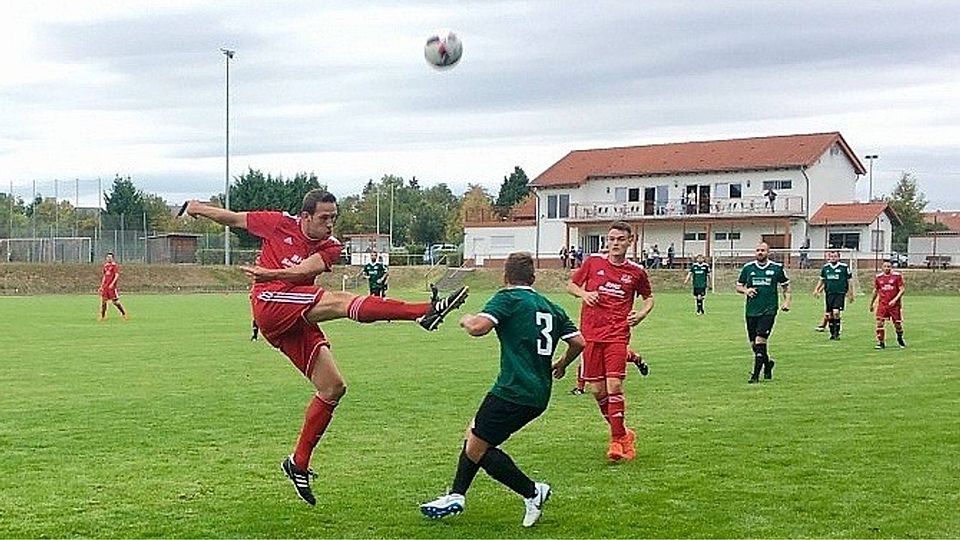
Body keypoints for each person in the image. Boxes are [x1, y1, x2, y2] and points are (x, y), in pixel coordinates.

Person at [182, 190, 469, 506]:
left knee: (333, 387)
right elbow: (234, 218)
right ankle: (423, 312)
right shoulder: (278, 223)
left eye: (334, 217)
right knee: (341, 301)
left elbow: (304, 271)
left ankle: (298, 462)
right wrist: (198, 208)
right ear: (305, 217)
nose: (330, 224)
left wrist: (272, 272)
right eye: (324, 218)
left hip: (294, 314)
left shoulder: (331, 246)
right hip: (269, 302)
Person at [419, 252, 585, 527]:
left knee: (476, 447)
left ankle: (532, 492)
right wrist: (562, 363)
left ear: (505, 276)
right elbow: (579, 342)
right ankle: (456, 495)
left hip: (512, 390)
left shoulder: (507, 298)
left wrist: (466, 318)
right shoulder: (551, 307)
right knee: (474, 435)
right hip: (538, 394)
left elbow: (478, 328)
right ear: (532, 278)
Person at [567, 221, 655, 461]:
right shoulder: (593, 262)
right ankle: (624, 433)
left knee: (614, 385)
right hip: (591, 333)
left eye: (620, 239)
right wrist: (585, 294)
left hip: (617, 334)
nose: (615, 243)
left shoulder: (636, 272)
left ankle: (616, 441)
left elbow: (648, 298)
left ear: (630, 241)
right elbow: (571, 285)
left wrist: (642, 313)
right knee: (597, 390)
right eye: (612, 239)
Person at [736, 242, 790, 383]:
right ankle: (767, 364)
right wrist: (746, 290)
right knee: (754, 345)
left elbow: (786, 287)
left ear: (768, 252)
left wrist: (786, 302)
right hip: (751, 311)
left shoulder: (776, 268)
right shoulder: (748, 268)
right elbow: (739, 286)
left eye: (763, 250)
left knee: (760, 340)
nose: (760, 252)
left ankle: (755, 376)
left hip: (769, 310)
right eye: (758, 250)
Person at [813, 250, 854, 340]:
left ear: (839, 257)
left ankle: (837, 333)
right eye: (831, 256)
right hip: (829, 293)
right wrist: (817, 290)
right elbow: (822, 280)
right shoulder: (826, 268)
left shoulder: (844, 267)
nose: (833, 258)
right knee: (829, 314)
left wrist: (850, 293)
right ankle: (832, 334)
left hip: (840, 293)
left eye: (835, 256)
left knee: (836, 312)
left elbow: (849, 281)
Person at [871, 261, 906, 349]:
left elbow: (902, 289)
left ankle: (900, 338)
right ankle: (881, 342)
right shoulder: (878, 277)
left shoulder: (897, 276)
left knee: (897, 324)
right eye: (885, 266)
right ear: (882, 268)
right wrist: (871, 303)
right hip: (883, 304)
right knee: (879, 322)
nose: (887, 268)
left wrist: (895, 300)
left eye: (889, 266)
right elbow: (875, 291)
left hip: (894, 305)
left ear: (891, 267)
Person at [98, 252, 128, 320]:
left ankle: (123, 313)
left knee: (115, 302)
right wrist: (101, 286)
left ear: (113, 258)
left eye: (110, 257)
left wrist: (112, 283)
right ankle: (103, 316)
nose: (109, 258)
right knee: (103, 302)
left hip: (111, 287)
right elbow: (104, 276)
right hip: (105, 286)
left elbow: (116, 275)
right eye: (108, 257)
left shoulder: (114, 266)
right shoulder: (105, 266)